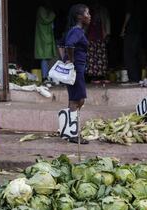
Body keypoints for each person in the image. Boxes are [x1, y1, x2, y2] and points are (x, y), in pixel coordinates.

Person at [63, 4, 91, 144]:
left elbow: (62, 44)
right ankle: (73, 133)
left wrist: (67, 60)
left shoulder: (74, 30)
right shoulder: (77, 31)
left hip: (76, 68)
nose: (89, 16)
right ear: (80, 17)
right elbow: (68, 45)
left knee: (74, 98)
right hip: (76, 69)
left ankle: (69, 130)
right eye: (87, 13)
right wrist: (72, 61)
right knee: (78, 99)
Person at [86, 0, 110, 84]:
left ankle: (102, 76)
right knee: (92, 57)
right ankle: (93, 77)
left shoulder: (103, 10)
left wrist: (107, 34)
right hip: (91, 37)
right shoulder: (88, 11)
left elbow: (107, 22)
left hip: (101, 36)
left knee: (101, 57)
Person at [34, 0, 57, 82]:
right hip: (43, 37)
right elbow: (46, 20)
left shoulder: (46, 10)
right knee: (44, 57)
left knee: (47, 58)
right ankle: (44, 77)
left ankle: (47, 76)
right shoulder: (41, 9)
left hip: (47, 37)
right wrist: (53, 14)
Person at [120, 0, 143, 82]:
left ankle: (133, 78)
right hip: (138, 31)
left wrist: (123, 28)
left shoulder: (130, 2)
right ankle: (137, 78)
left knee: (129, 55)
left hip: (131, 31)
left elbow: (128, 14)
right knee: (135, 55)